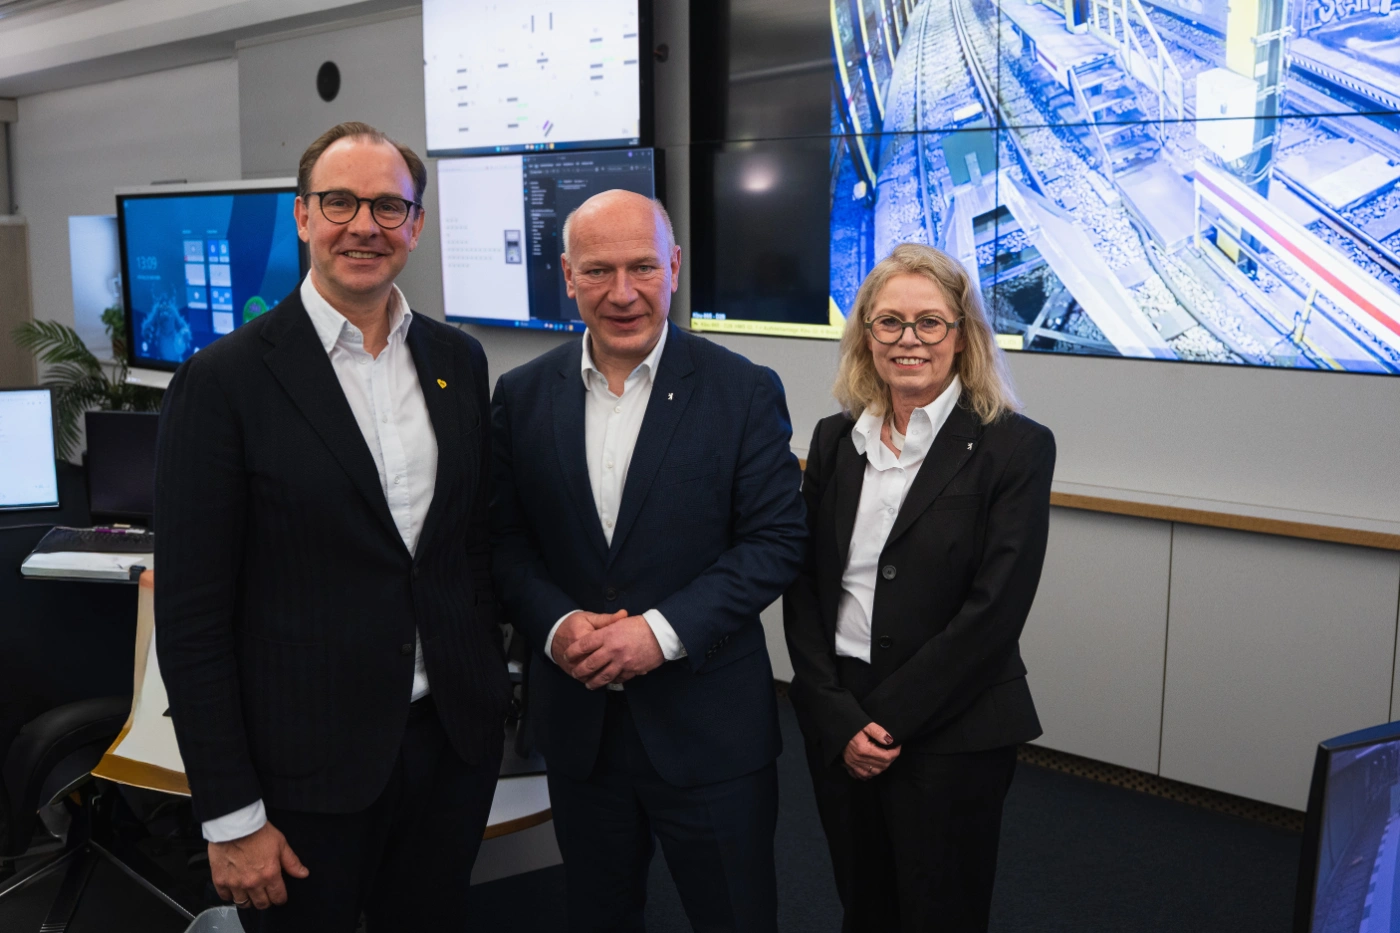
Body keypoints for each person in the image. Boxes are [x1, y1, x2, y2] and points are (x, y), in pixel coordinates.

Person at [154, 121, 509, 932]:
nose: (364, 225)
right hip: (302, 773)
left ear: (415, 226)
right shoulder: (224, 382)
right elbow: (191, 617)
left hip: (449, 746)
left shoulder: (460, 361)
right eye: (340, 201)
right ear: (303, 215)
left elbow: (466, 550)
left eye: (389, 206)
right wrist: (231, 813)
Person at [490, 189, 807, 932]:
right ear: (567, 276)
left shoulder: (742, 389)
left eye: (642, 267)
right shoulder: (522, 395)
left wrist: (657, 633)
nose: (623, 293)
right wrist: (558, 622)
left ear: (674, 266)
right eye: (599, 271)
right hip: (577, 728)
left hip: (710, 732)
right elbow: (502, 542)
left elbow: (775, 541)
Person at [783, 243, 1055, 933]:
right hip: (841, 718)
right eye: (889, 322)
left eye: (930, 322)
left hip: (954, 729)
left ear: (963, 336)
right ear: (865, 334)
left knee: (940, 915)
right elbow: (806, 589)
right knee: (863, 906)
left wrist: (887, 720)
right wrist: (837, 716)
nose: (909, 340)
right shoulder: (835, 440)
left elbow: (994, 612)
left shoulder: (1015, 448)